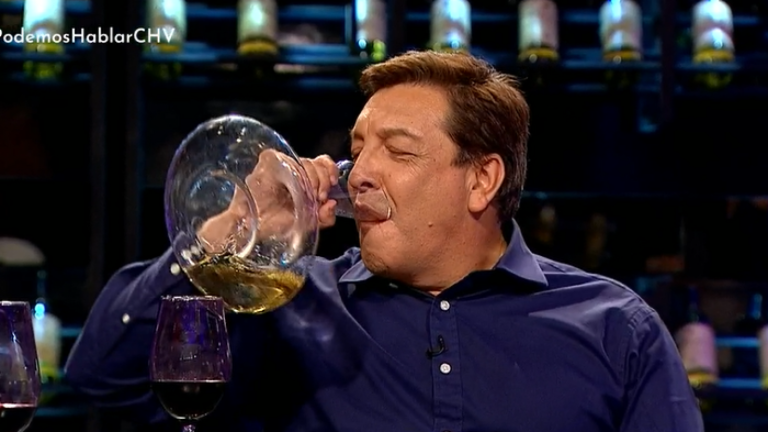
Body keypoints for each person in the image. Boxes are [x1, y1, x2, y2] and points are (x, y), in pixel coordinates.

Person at [65, 50, 703, 432]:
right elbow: (103, 374)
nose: (359, 173)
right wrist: (234, 229)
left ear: (482, 179)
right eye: (358, 149)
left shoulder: (616, 329)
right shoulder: (291, 307)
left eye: (397, 151)